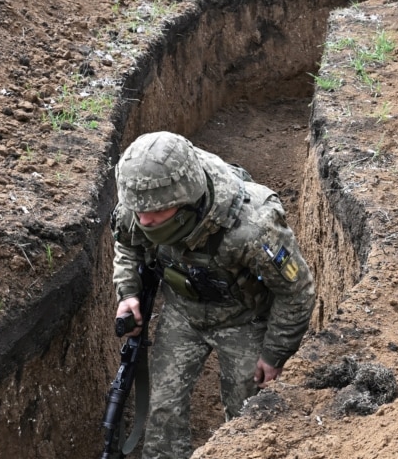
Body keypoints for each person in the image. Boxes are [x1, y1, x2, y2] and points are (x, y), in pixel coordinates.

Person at [111, 131, 317, 459]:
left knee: (247, 417)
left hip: (244, 319)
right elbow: (127, 243)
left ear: (185, 200)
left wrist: (275, 352)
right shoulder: (142, 200)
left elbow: (296, 290)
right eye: (139, 212)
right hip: (183, 313)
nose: (144, 220)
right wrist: (128, 293)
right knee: (163, 409)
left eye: (156, 214)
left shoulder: (253, 227)